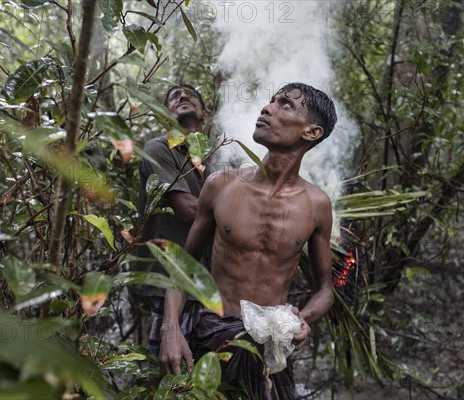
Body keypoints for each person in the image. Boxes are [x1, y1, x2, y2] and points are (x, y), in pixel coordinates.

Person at [159, 82, 337, 399]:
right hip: (211, 334)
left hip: (271, 349)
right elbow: (184, 268)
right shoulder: (221, 185)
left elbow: (325, 288)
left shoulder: (317, 205)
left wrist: (304, 318)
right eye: (271, 101)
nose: (267, 108)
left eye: (285, 105)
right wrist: (171, 330)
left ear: (311, 132)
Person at [135, 83, 211, 362]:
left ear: (206, 114)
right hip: (168, 278)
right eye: (174, 97)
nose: (182, 97)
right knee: (171, 369)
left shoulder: (209, 160)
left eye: (190, 94)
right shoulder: (159, 148)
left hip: (203, 280)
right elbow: (189, 210)